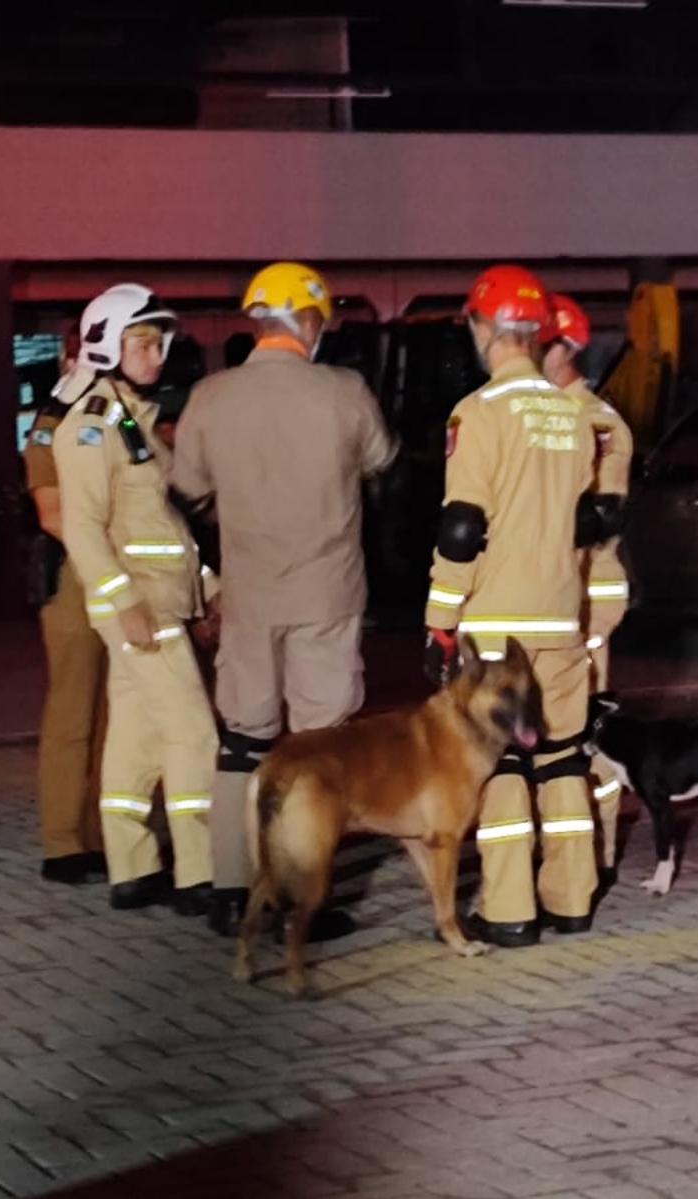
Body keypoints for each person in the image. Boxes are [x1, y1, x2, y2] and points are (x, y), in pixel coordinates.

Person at [170, 260, 398, 939]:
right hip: (327, 592)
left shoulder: (210, 397)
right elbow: (382, 464)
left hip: (248, 594)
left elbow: (188, 493)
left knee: (242, 742)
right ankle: (300, 897)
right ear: (308, 321)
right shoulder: (345, 390)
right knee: (320, 748)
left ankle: (231, 890)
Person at [423, 263, 598, 946]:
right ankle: (572, 898)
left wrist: (441, 617)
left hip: (497, 623)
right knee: (561, 759)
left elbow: (463, 525)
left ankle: (508, 910)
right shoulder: (574, 415)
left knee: (497, 767)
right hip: (560, 616)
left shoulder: (479, 412)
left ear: (485, 326)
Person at [52, 283, 217, 914]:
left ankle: (133, 868)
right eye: (145, 342)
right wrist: (126, 603)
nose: (158, 355)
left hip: (154, 600)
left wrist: (207, 586)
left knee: (137, 737)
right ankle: (199, 873)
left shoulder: (125, 417)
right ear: (105, 346)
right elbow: (82, 527)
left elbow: (159, 525)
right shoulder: (93, 426)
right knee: (193, 735)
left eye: (161, 342)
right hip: (141, 607)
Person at [537, 294, 634, 885]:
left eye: (535, 342)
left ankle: (594, 858)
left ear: (564, 346)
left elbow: (596, 518)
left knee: (588, 733)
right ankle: (550, 857)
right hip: (543, 597)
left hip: (584, 599)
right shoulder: (535, 414)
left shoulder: (595, 422)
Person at [23, 322, 108, 886]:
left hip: (122, 572)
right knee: (73, 714)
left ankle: (106, 834)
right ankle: (62, 842)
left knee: (116, 717)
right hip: (78, 577)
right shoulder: (49, 428)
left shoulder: (117, 414)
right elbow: (51, 514)